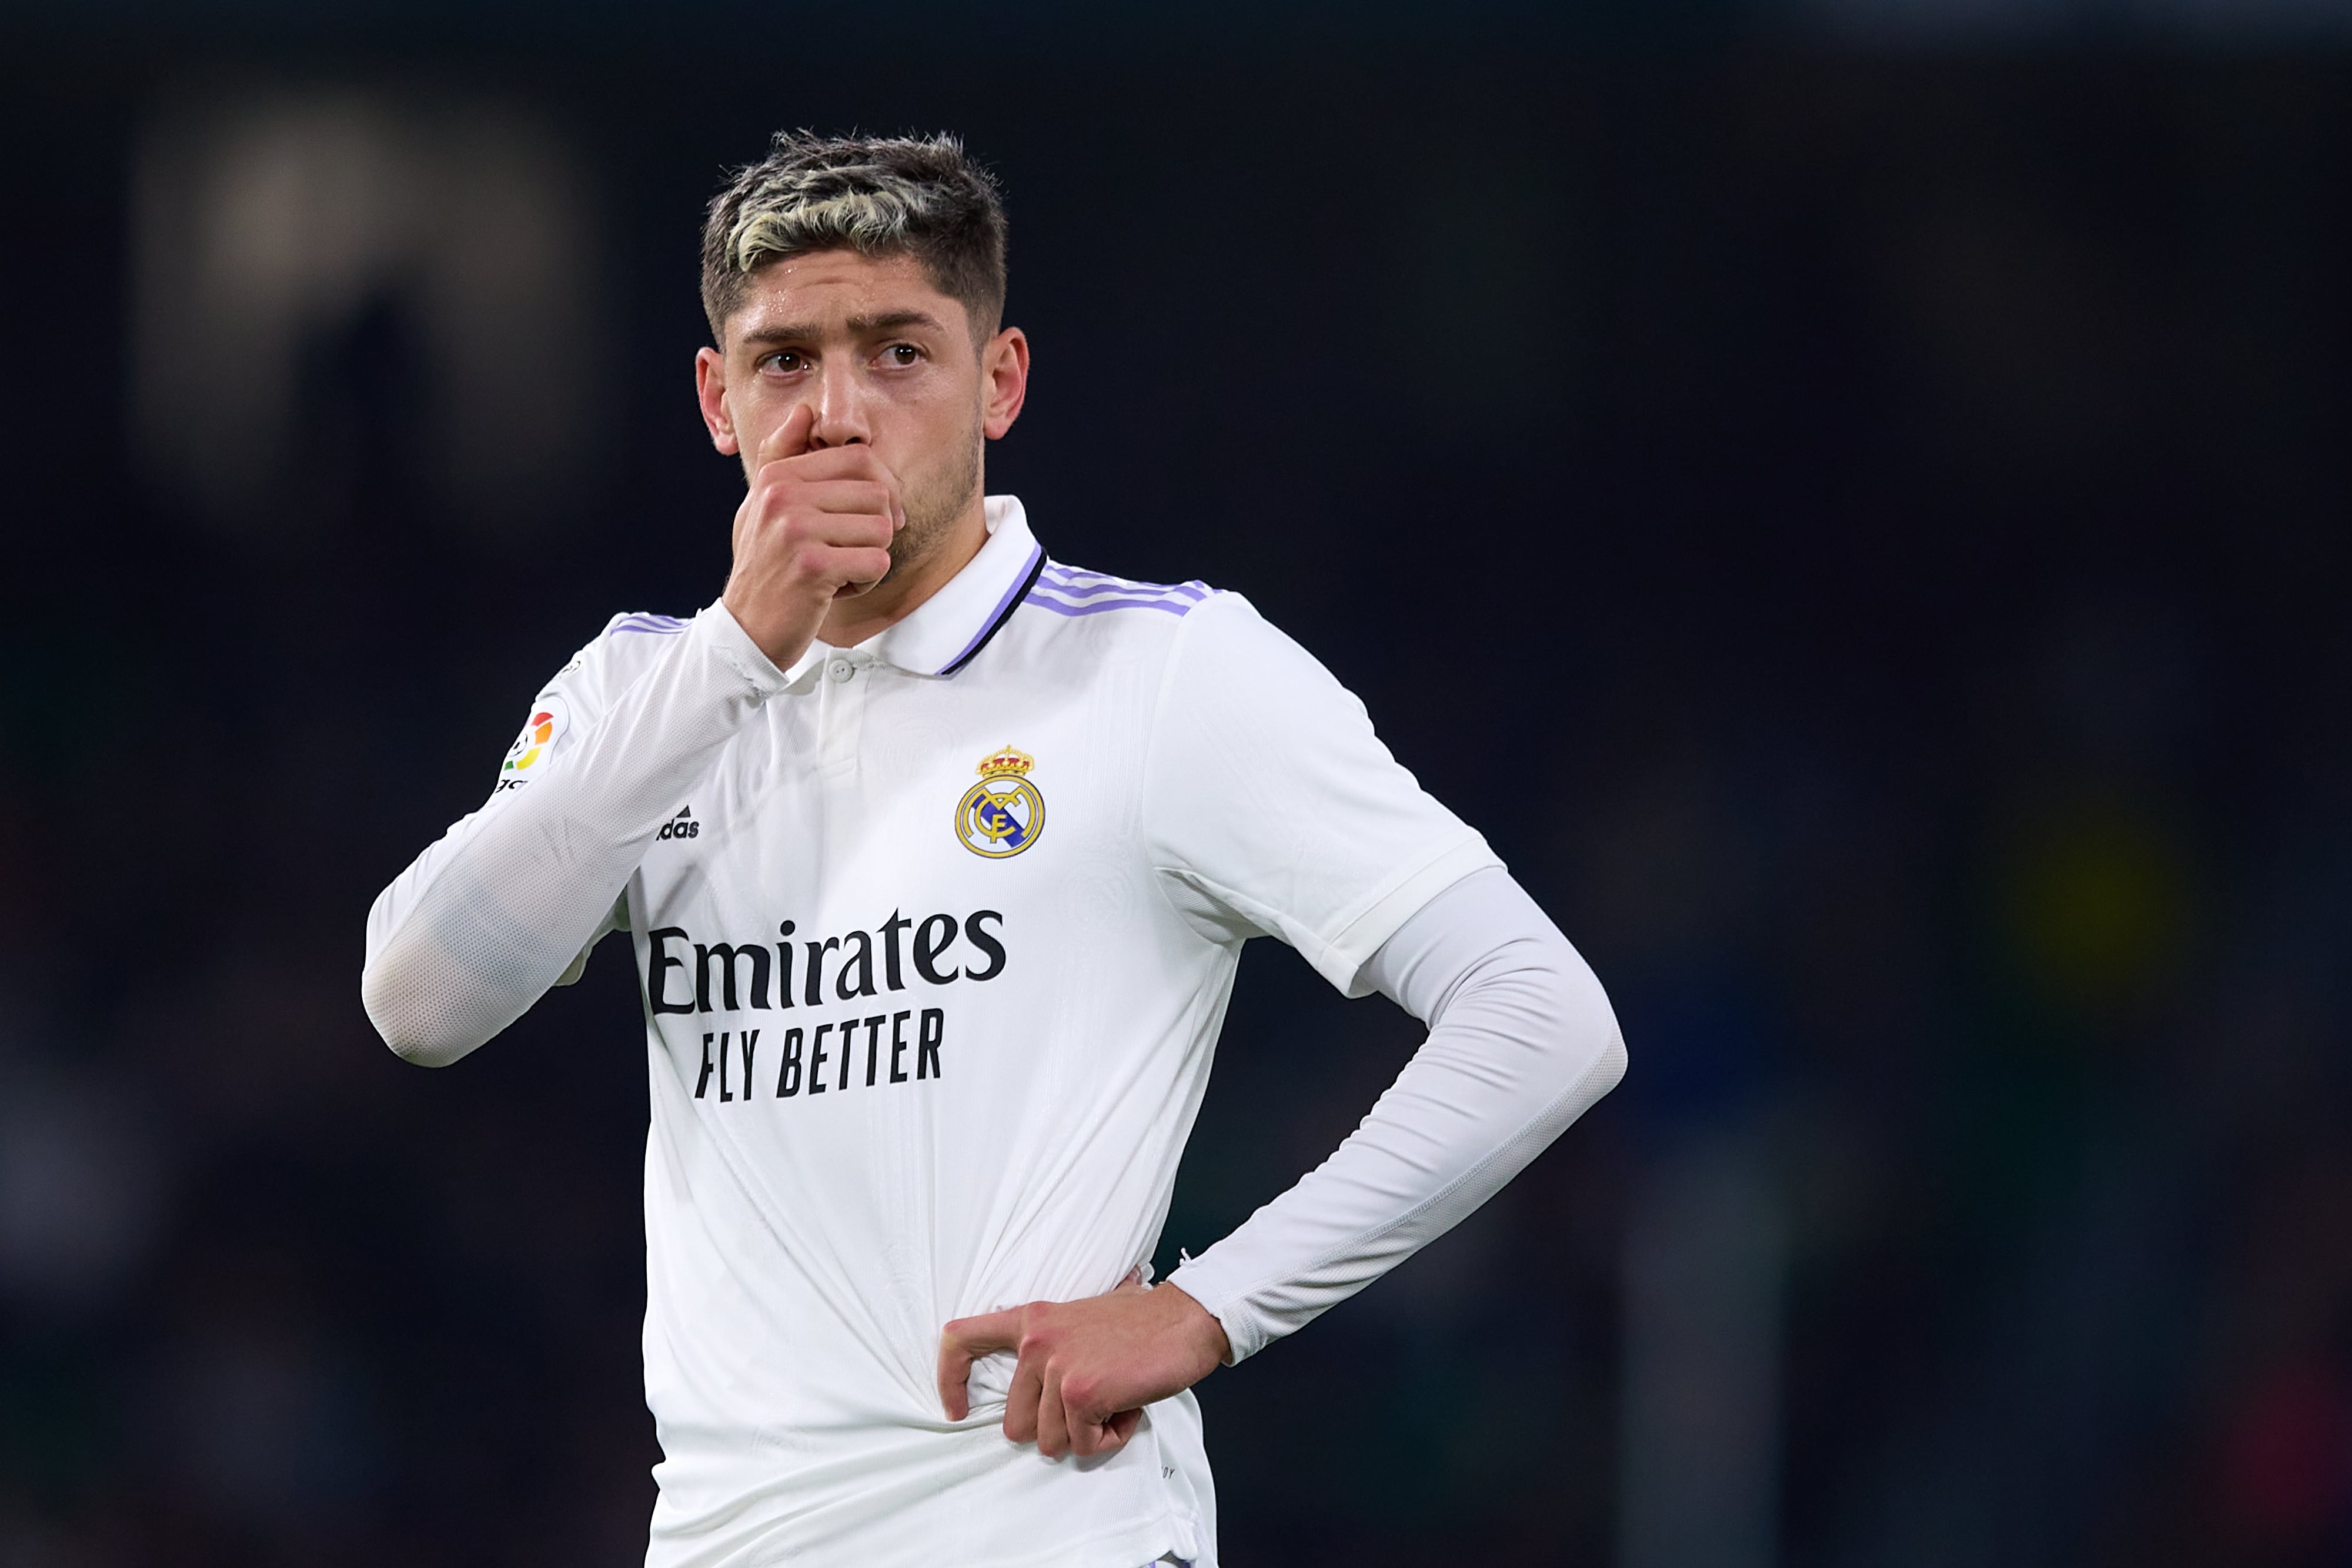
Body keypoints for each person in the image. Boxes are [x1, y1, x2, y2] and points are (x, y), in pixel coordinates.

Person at [361, 131, 1626, 1568]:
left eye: (898, 351)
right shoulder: (637, 694)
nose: (836, 412)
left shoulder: (1162, 673)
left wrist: (1210, 1305)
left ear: (998, 382)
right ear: (718, 401)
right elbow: (418, 1000)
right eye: (784, 362)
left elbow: (1539, 1013)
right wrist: (733, 654)